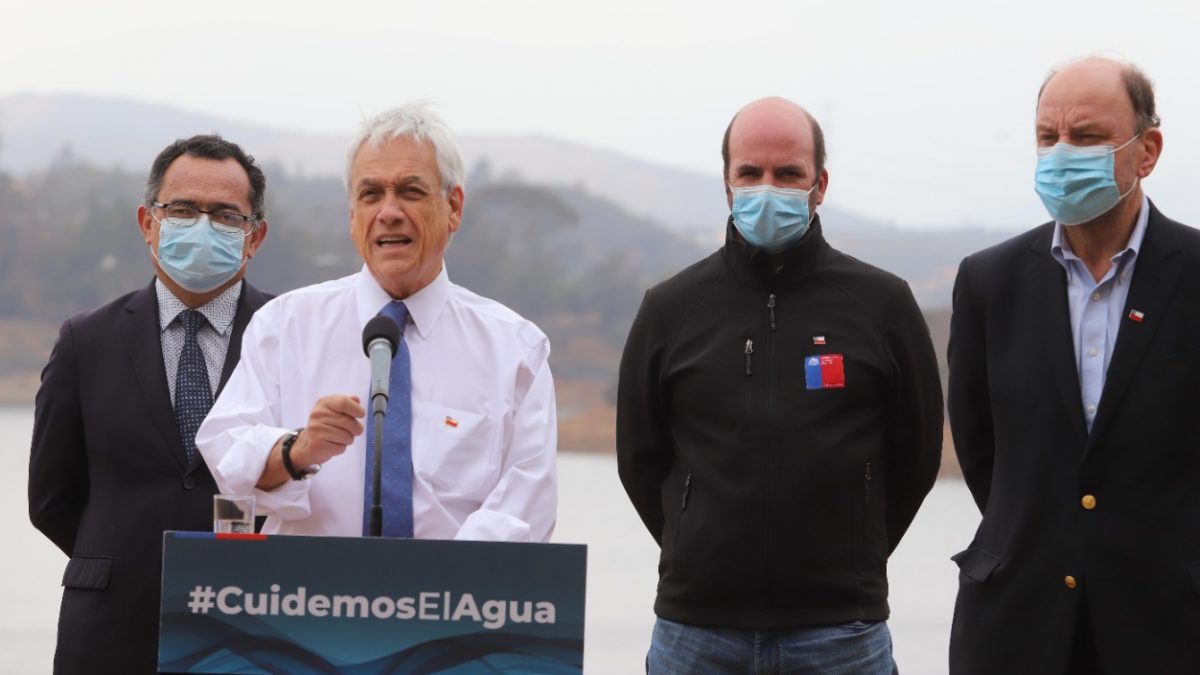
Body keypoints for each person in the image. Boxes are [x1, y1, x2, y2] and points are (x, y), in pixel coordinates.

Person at [616, 96, 943, 673]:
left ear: (819, 185)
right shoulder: (670, 309)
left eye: (788, 173)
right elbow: (639, 459)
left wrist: (852, 558)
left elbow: (916, 456)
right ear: (726, 183)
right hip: (696, 633)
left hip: (843, 634)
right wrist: (698, 549)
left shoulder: (882, 304)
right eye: (751, 173)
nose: (768, 188)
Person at [196, 102, 556, 542]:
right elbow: (228, 462)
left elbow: (524, 510)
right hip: (301, 600)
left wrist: (417, 598)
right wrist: (300, 449)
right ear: (352, 216)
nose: (388, 211)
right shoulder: (284, 326)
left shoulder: (516, 349)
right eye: (370, 195)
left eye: (410, 191)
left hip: (451, 602)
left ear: (454, 206)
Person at [948, 56, 1200, 673]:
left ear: (1147, 150)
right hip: (1016, 626)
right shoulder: (989, 282)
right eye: (1047, 136)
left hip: (1167, 626)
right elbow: (982, 452)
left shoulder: (1194, 276)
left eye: (1086, 137)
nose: (1062, 153)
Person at [28, 134, 272, 673]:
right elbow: (51, 500)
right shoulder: (84, 342)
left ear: (254, 237)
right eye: (183, 209)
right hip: (110, 632)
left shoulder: (289, 336)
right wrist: (126, 559)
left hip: (258, 629)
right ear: (148, 223)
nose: (203, 226)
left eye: (226, 216)